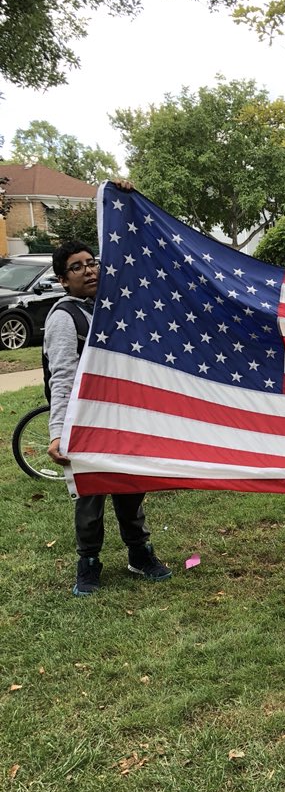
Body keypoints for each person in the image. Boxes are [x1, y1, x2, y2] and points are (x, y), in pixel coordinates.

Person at [46, 239, 172, 596]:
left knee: (131, 488)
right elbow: (63, 377)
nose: (88, 270)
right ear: (62, 279)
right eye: (76, 267)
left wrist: (124, 197)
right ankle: (88, 563)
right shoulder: (64, 317)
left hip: (122, 417)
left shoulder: (112, 306)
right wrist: (58, 431)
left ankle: (140, 553)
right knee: (91, 497)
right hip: (83, 423)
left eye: (92, 262)